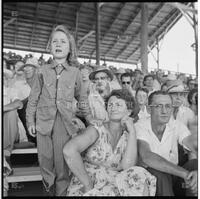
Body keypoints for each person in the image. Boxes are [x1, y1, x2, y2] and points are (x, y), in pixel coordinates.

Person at [26, 24, 92, 196]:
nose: (58, 44)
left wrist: (91, 120)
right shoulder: (41, 71)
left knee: (62, 165)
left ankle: (62, 193)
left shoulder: (75, 73)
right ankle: (48, 191)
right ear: (50, 46)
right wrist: (30, 121)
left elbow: (82, 99)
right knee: (45, 161)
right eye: (54, 41)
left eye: (63, 41)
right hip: (43, 123)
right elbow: (33, 99)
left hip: (64, 124)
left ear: (70, 48)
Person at [63, 89, 156, 196]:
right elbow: (69, 150)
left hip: (113, 183)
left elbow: (128, 167)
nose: (113, 107)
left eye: (118, 104)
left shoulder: (127, 137)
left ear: (129, 111)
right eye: (110, 104)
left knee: (140, 174)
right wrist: (87, 184)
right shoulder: (97, 129)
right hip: (90, 182)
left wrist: (132, 132)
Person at [135, 91, 197, 196]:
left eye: (168, 106)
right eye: (159, 106)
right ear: (149, 109)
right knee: (160, 174)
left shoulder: (176, 125)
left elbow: (192, 144)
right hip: (150, 181)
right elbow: (147, 157)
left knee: (194, 165)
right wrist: (185, 174)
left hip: (175, 178)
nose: (164, 111)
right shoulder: (140, 126)